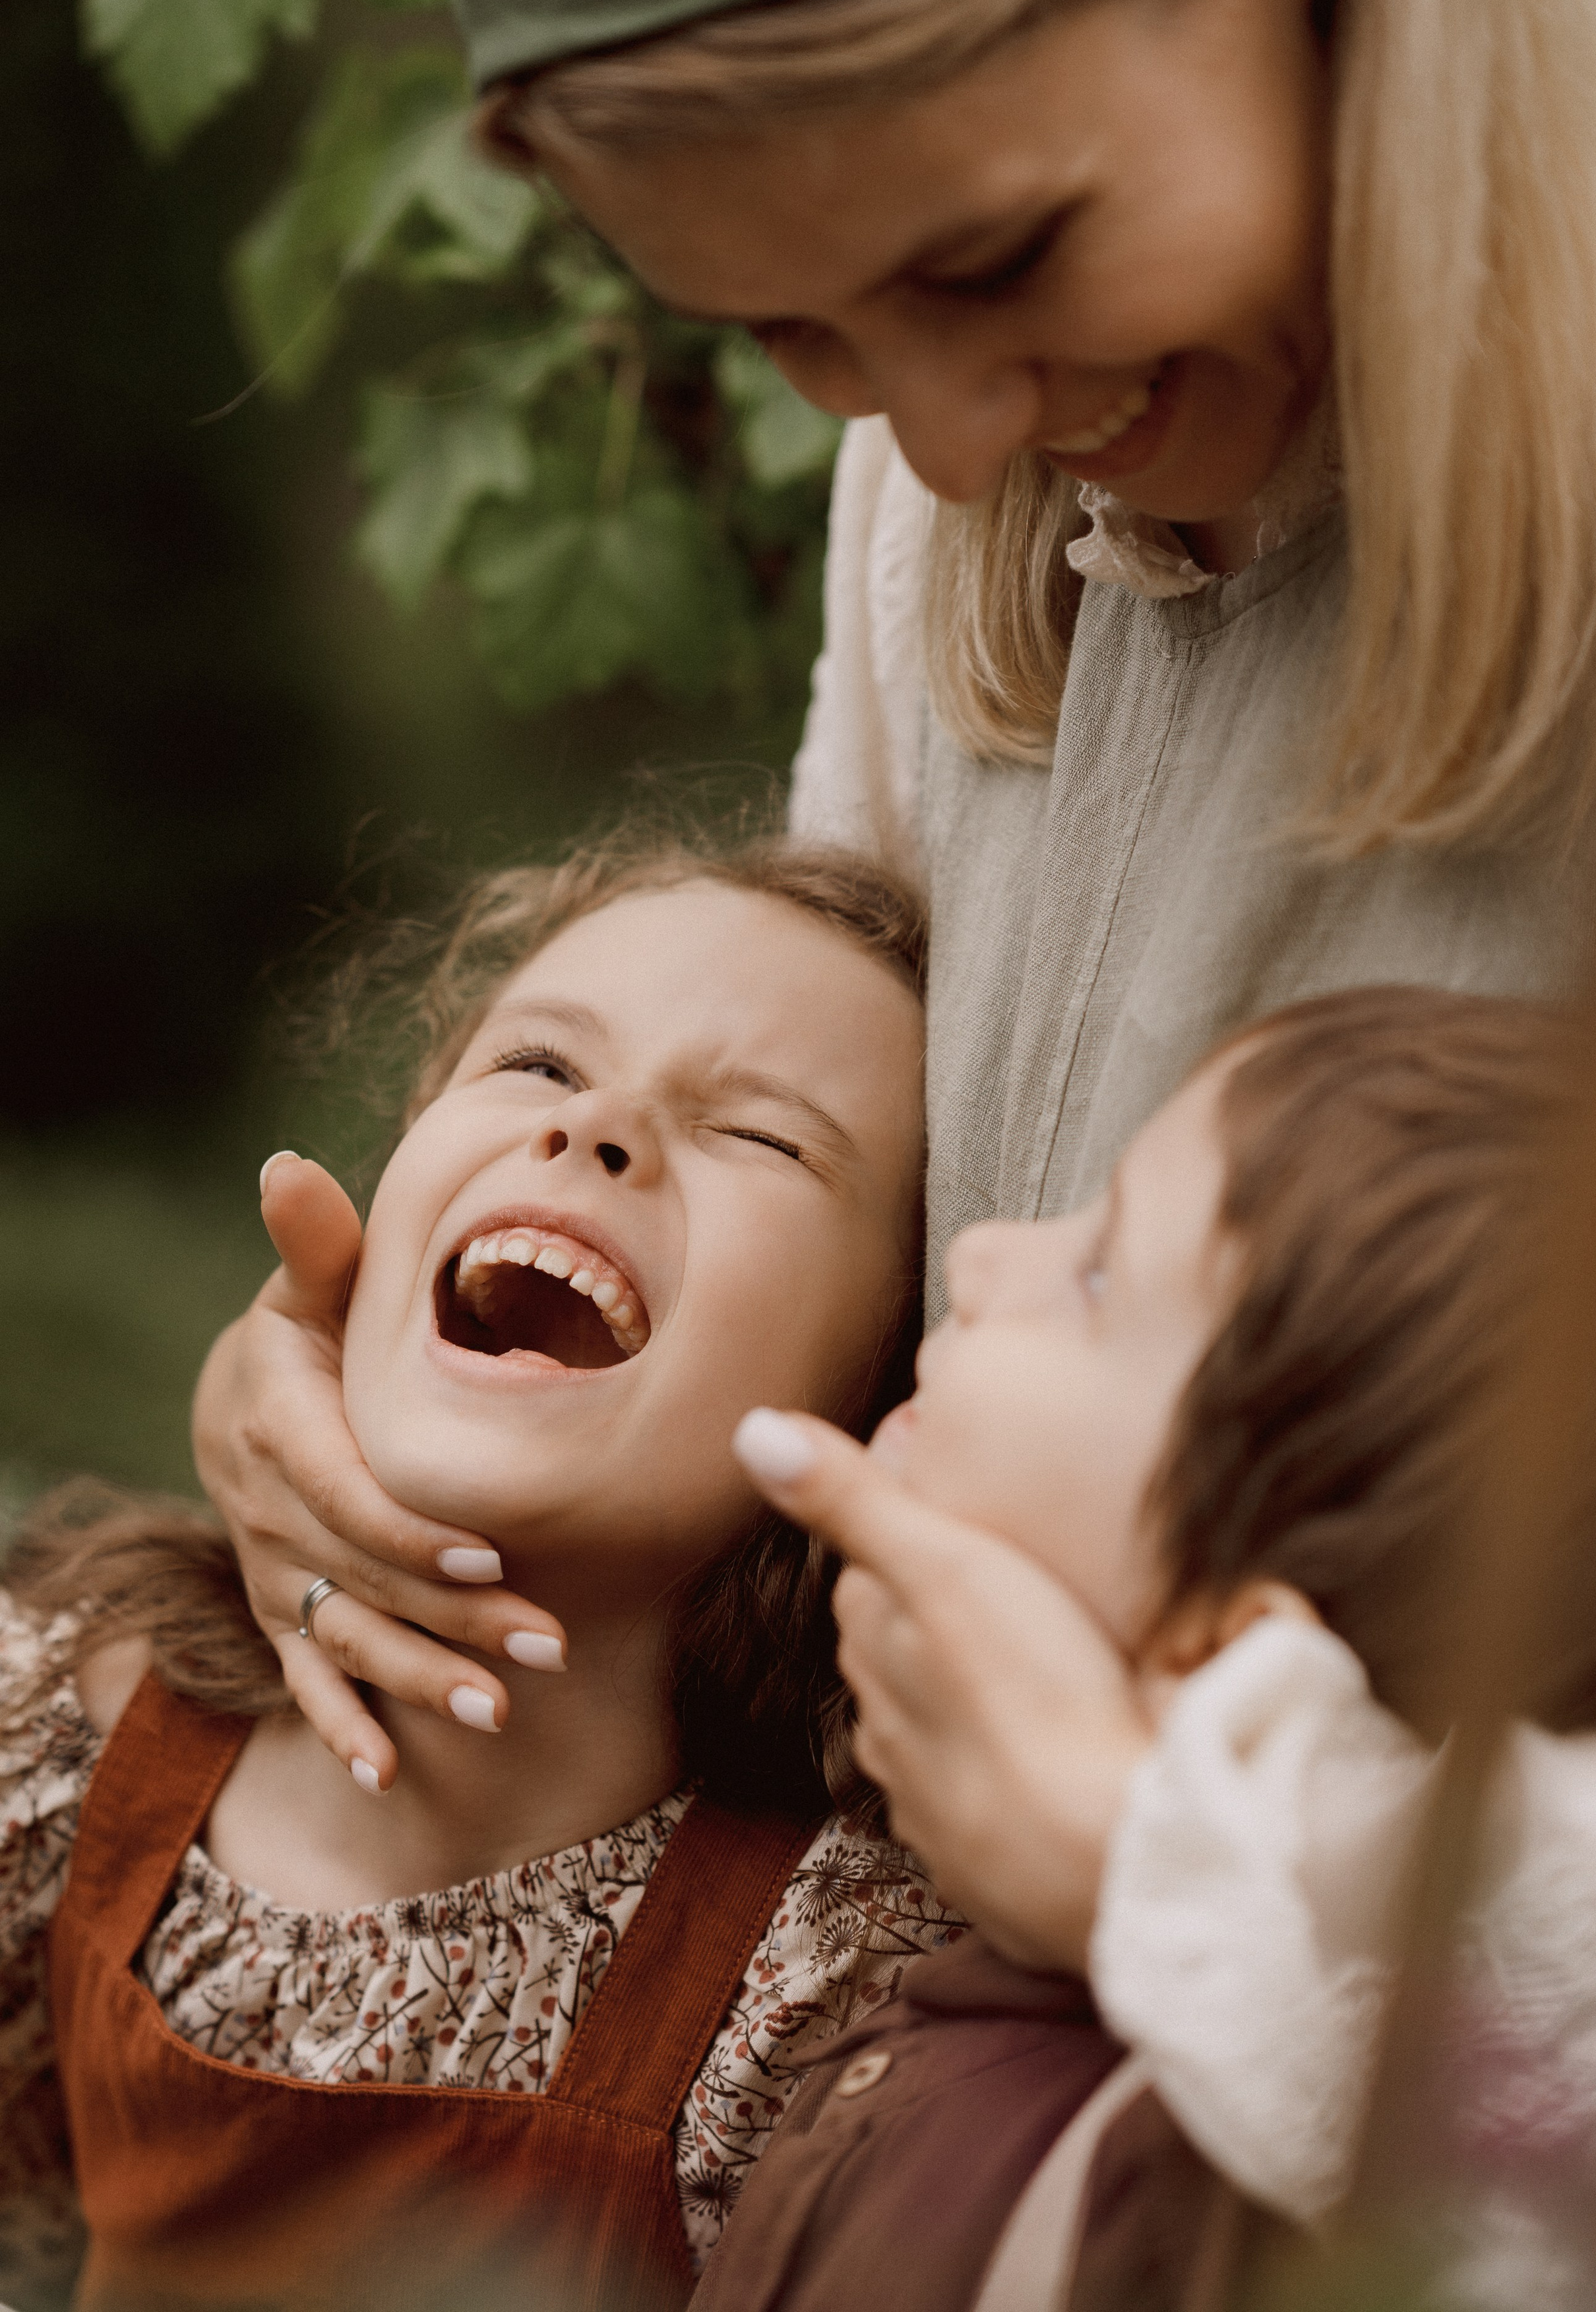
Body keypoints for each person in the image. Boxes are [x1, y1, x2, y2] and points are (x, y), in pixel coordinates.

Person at [185, 0, 1596, 1775]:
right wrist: (362, 1411)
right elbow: (805, 1264)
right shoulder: (945, 466)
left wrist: (1187, 1895)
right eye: (799, 329)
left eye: (1001, 256)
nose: (954, 450)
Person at [0, 834, 964, 2312]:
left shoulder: (837, 2008)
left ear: (879, 1387)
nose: (601, 1129)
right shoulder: (60, 1720)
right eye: (535, 1066)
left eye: (763, 1137)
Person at [708, 984, 1596, 2311]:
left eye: (1101, 1276)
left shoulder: (1179, 2217)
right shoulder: (963, 2003)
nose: (982, 1249)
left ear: (1238, 1669)